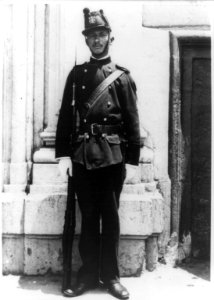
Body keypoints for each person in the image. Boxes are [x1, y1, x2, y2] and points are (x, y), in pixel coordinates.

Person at [55, 8, 141, 299]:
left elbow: (132, 119)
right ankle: (88, 275)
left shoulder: (121, 77)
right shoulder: (77, 74)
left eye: (101, 34)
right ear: (87, 40)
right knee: (88, 217)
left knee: (111, 218)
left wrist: (132, 160)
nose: (97, 40)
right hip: (81, 156)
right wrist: (63, 155)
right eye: (92, 36)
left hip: (113, 157)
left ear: (109, 38)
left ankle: (111, 277)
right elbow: (65, 119)